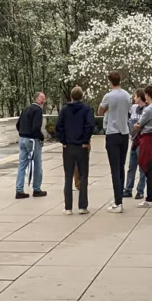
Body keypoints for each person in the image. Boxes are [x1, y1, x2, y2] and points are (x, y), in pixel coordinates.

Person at [56, 85, 94, 214]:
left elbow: (59, 126)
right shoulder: (86, 109)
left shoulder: (65, 110)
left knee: (68, 176)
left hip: (68, 146)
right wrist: (85, 140)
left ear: (71, 96)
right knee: (83, 176)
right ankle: (83, 206)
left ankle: (68, 207)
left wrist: (64, 141)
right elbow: (90, 125)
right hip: (81, 147)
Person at [98, 71, 132, 212]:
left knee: (114, 169)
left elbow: (100, 111)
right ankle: (119, 198)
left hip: (112, 133)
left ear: (110, 81)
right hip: (124, 133)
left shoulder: (108, 96)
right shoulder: (126, 95)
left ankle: (117, 202)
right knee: (121, 166)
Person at [131, 85, 152, 208]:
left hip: (147, 139)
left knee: (148, 169)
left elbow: (139, 124)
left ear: (148, 95)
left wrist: (136, 126)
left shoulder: (148, 110)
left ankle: (149, 198)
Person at [15, 92, 47, 200]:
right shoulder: (38, 110)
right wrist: (42, 137)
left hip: (22, 139)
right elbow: (36, 128)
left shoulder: (26, 109)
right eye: (42, 98)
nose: (44, 100)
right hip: (32, 140)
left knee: (22, 164)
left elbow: (18, 124)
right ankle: (37, 189)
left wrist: (23, 132)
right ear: (37, 98)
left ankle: (19, 190)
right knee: (37, 164)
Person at [123, 92, 148, 199]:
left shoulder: (147, 110)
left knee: (142, 168)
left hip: (142, 141)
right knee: (131, 167)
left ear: (140, 98)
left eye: (135, 96)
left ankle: (140, 190)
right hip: (134, 140)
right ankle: (128, 189)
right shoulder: (133, 108)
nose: (134, 98)